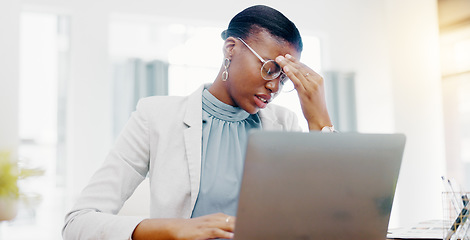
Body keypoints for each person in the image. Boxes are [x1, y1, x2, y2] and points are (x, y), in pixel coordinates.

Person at [62, 4, 334, 240]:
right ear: (231, 48)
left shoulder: (284, 125)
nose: (274, 86)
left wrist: (319, 120)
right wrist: (172, 230)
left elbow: (333, 218)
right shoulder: (155, 117)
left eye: (283, 78)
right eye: (269, 68)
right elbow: (78, 222)